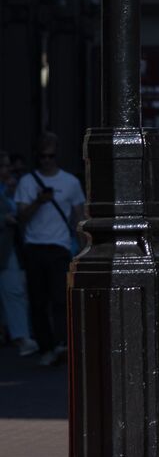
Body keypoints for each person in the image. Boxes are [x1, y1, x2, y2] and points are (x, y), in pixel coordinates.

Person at [15, 133, 86, 366]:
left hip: (60, 246)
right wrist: (39, 201)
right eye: (43, 156)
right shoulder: (27, 182)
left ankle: (61, 343)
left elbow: (78, 216)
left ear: (57, 155)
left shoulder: (70, 182)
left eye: (51, 156)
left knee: (59, 297)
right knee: (38, 300)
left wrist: (84, 247)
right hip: (34, 246)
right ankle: (46, 346)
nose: (47, 160)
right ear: (38, 156)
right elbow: (22, 216)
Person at [0, 151, 36, 356]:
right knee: (13, 291)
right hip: (6, 246)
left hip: (9, 247)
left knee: (14, 290)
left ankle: (20, 336)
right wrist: (4, 219)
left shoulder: (10, 188)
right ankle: (19, 336)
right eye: (4, 166)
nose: (8, 170)